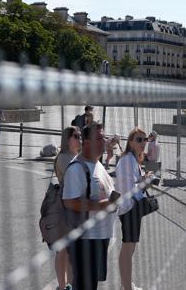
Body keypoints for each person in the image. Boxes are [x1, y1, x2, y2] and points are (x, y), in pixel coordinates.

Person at [63, 122, 118, 290]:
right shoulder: (77, 168)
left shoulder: (98, 164)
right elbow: (70, 202)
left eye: (104, 137)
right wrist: (106, 204)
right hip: (86, 240)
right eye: (99, 138)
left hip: (100, 237)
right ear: (86, 142)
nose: (104, 141)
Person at [115, 127, 151, 290]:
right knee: (128, 249)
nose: (143, 143)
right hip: (129, 208)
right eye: (139, 139)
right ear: (130, 142)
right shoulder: (128, 160)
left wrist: (143, 179)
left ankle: (126, 284)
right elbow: (129, 188)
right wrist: (145, 182)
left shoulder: (132, 159)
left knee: (129, 248)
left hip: (130, 208)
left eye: (145, 140)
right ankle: (127, 287)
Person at [52, 126, 81, 290]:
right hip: (64, 208)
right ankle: (63, 286)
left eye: (80, 136)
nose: (79, 139)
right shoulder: (64, 158)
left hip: (73, 207)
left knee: (69, 250)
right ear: (67, 139)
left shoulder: (76, 156)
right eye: (76, 136)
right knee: (63, 250)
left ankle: (68, 284)